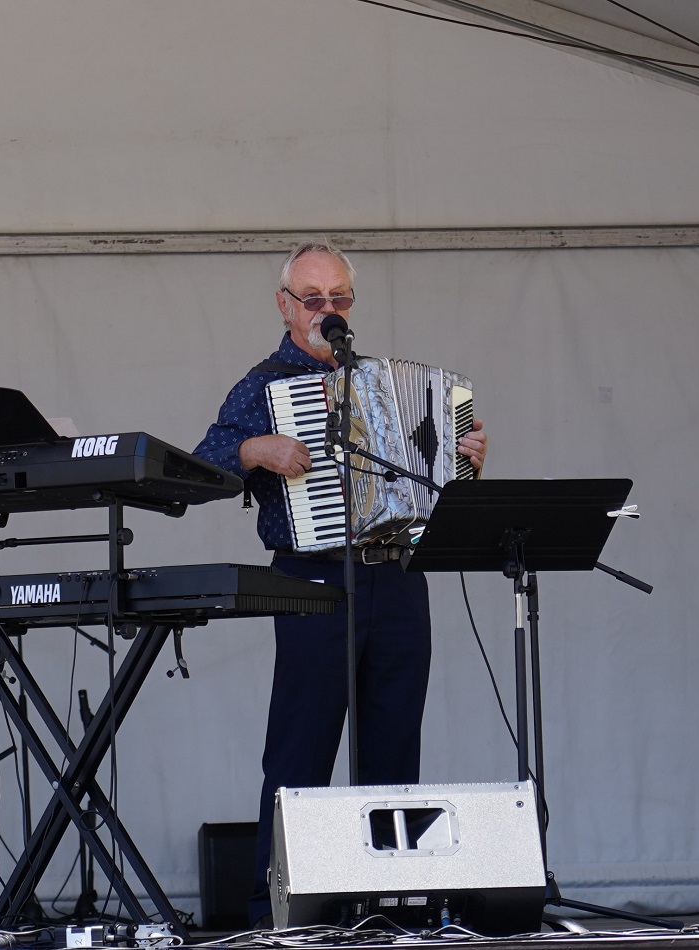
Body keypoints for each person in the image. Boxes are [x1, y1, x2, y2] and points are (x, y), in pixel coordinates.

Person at [193, 241, 488, 926]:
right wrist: (253, 449)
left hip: (398, 576)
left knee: (394, 746)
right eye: (313, 299)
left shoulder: (382, 381)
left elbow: (437, 487)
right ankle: (273, 911)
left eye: (339, 299)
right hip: (312, 580)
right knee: (300, 748)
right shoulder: (265, 384)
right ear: (285, 305)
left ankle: (389, 904)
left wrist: (466, 460)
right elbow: (203, 464)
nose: (327, 311)